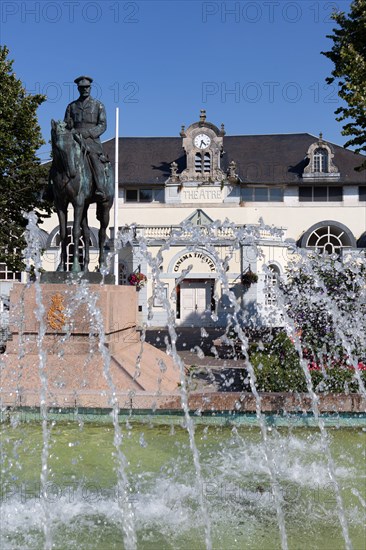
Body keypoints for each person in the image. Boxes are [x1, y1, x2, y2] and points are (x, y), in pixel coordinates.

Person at [64, 76, 109, 199]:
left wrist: (89, 133)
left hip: (91, 141)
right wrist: (73, 132)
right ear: (78, 89)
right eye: (82, 88)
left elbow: (103, 125)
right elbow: (66, 125)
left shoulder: (98, 105)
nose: (85, 90)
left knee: (94, 158)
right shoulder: (71, 106)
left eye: (87, 87)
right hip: (74, 139)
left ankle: (100, 188)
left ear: (90, 88)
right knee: (60, 155)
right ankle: (50, 189)